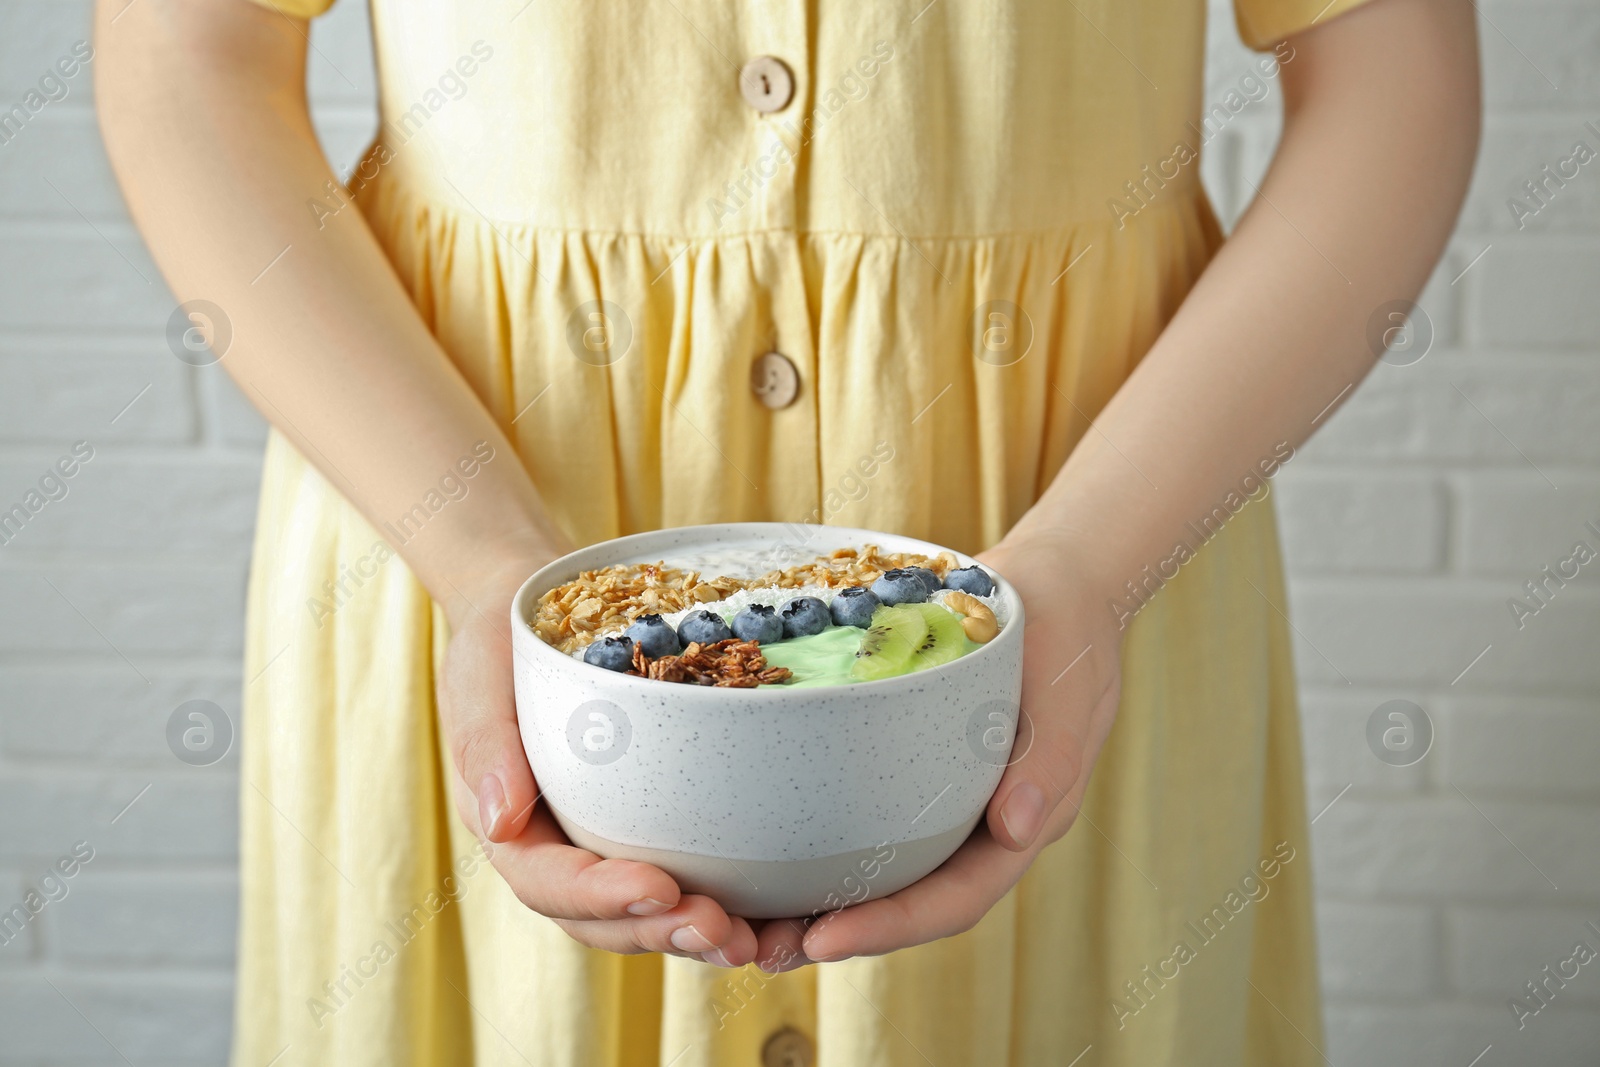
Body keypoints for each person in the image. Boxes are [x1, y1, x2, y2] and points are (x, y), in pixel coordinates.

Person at [96, 0, 1479, 1063]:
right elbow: (186, 59)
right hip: (449, 519)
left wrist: (1089, 567)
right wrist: (481, 563)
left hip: (1105, 532)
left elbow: (1393, 76)